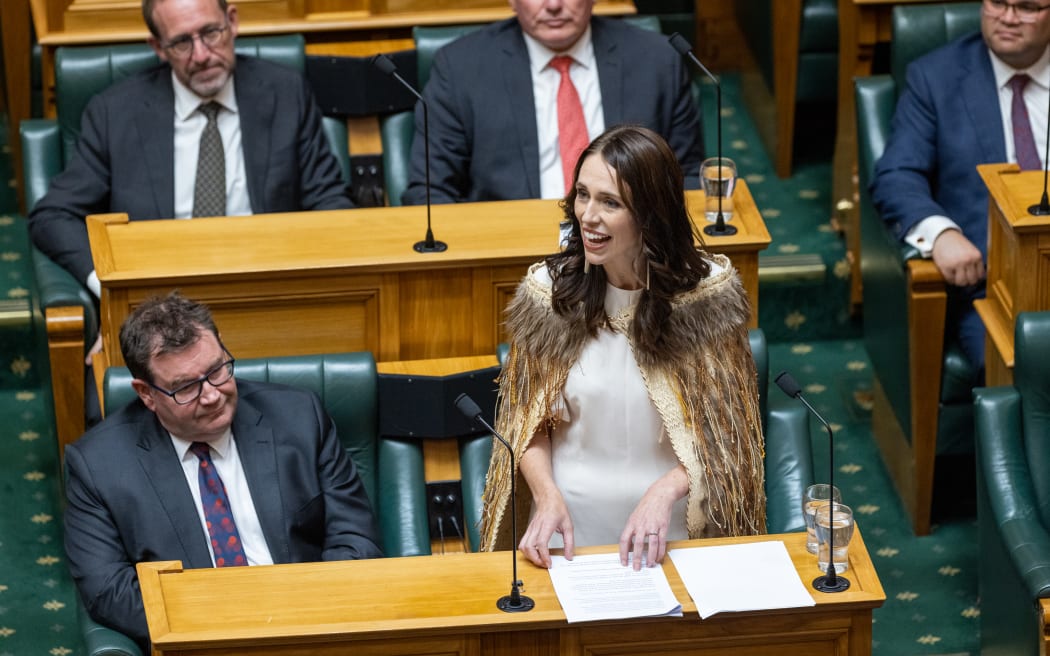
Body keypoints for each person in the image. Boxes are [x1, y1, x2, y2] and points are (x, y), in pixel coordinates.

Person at [479, 125, 764, 572]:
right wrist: (546, 494)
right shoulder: (549, 297)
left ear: (650, 214)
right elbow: (525, 424)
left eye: (610, 202)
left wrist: (665, 489)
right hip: (567, 532)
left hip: (670, 531)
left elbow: (728, 439)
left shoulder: (705, 300)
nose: (588, 216)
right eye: (582, 195)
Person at [64, 292, 382, 650]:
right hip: (199, 642)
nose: (212, 395)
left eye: (217, 370)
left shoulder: (298, 417)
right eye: (186, 387)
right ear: (147, 394)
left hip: (311, 630)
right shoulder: (98, 465)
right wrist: (227, 621)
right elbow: (109, 591)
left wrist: (301, 615)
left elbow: (355, 538)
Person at [28, 0, 352, 302]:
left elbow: (328, 202)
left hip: (268, 293)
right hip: (161, 307)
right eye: (182, 42)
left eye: (211, 32)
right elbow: (53, 216)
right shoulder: (115, 114)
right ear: (158, 47)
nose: (201, 55)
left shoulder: (285, 93)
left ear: (232, 22)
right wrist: (114, 292)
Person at [870, 0, 1050, 373]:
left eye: (1029, 7)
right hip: (995, 288)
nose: (1009, 18)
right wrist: (941, 233)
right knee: (1028, 369)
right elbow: (897, 174)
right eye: (998, 2)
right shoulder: (936, 77)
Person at [401, 0, 703, 206]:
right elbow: (430, 190)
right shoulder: (460, 67)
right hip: (509, 252)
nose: (554, 5)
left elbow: (687, 176)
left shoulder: (657, 60)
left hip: (634, 253)